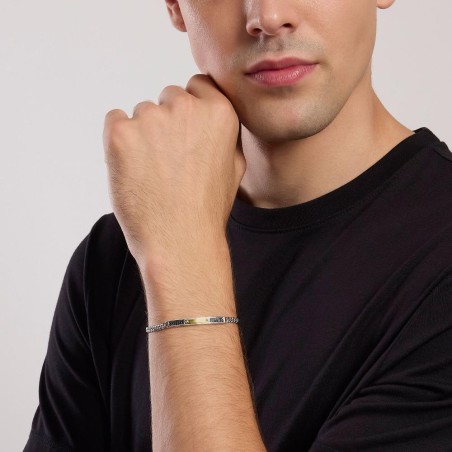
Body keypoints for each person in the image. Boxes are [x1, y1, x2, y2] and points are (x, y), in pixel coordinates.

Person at [24, 0, 452, 451]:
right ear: (175, 6)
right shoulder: (118, 254)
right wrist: (170, 249)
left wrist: (183, 266)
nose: (268, 16)